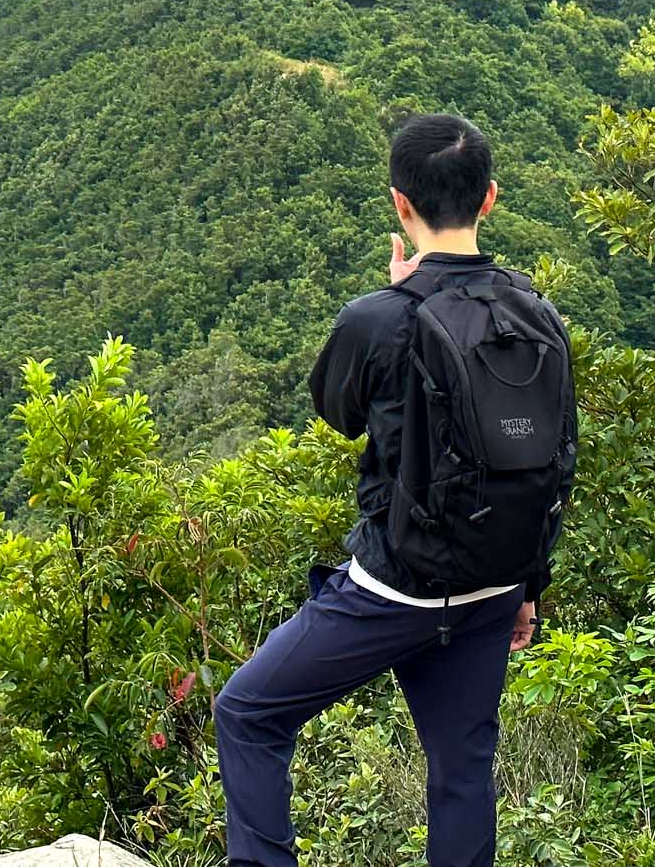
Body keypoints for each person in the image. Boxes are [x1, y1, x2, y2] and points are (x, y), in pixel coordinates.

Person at [214, 113, 578, 867]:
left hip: (393, 590)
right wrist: (528, 587)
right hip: (493, 588)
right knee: (462, 773)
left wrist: (396, 303)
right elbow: (554, 461)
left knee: (249, 714)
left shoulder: (377, 319)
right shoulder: (537, 314)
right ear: (491, 199)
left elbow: (340, 415)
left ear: (398, 204)